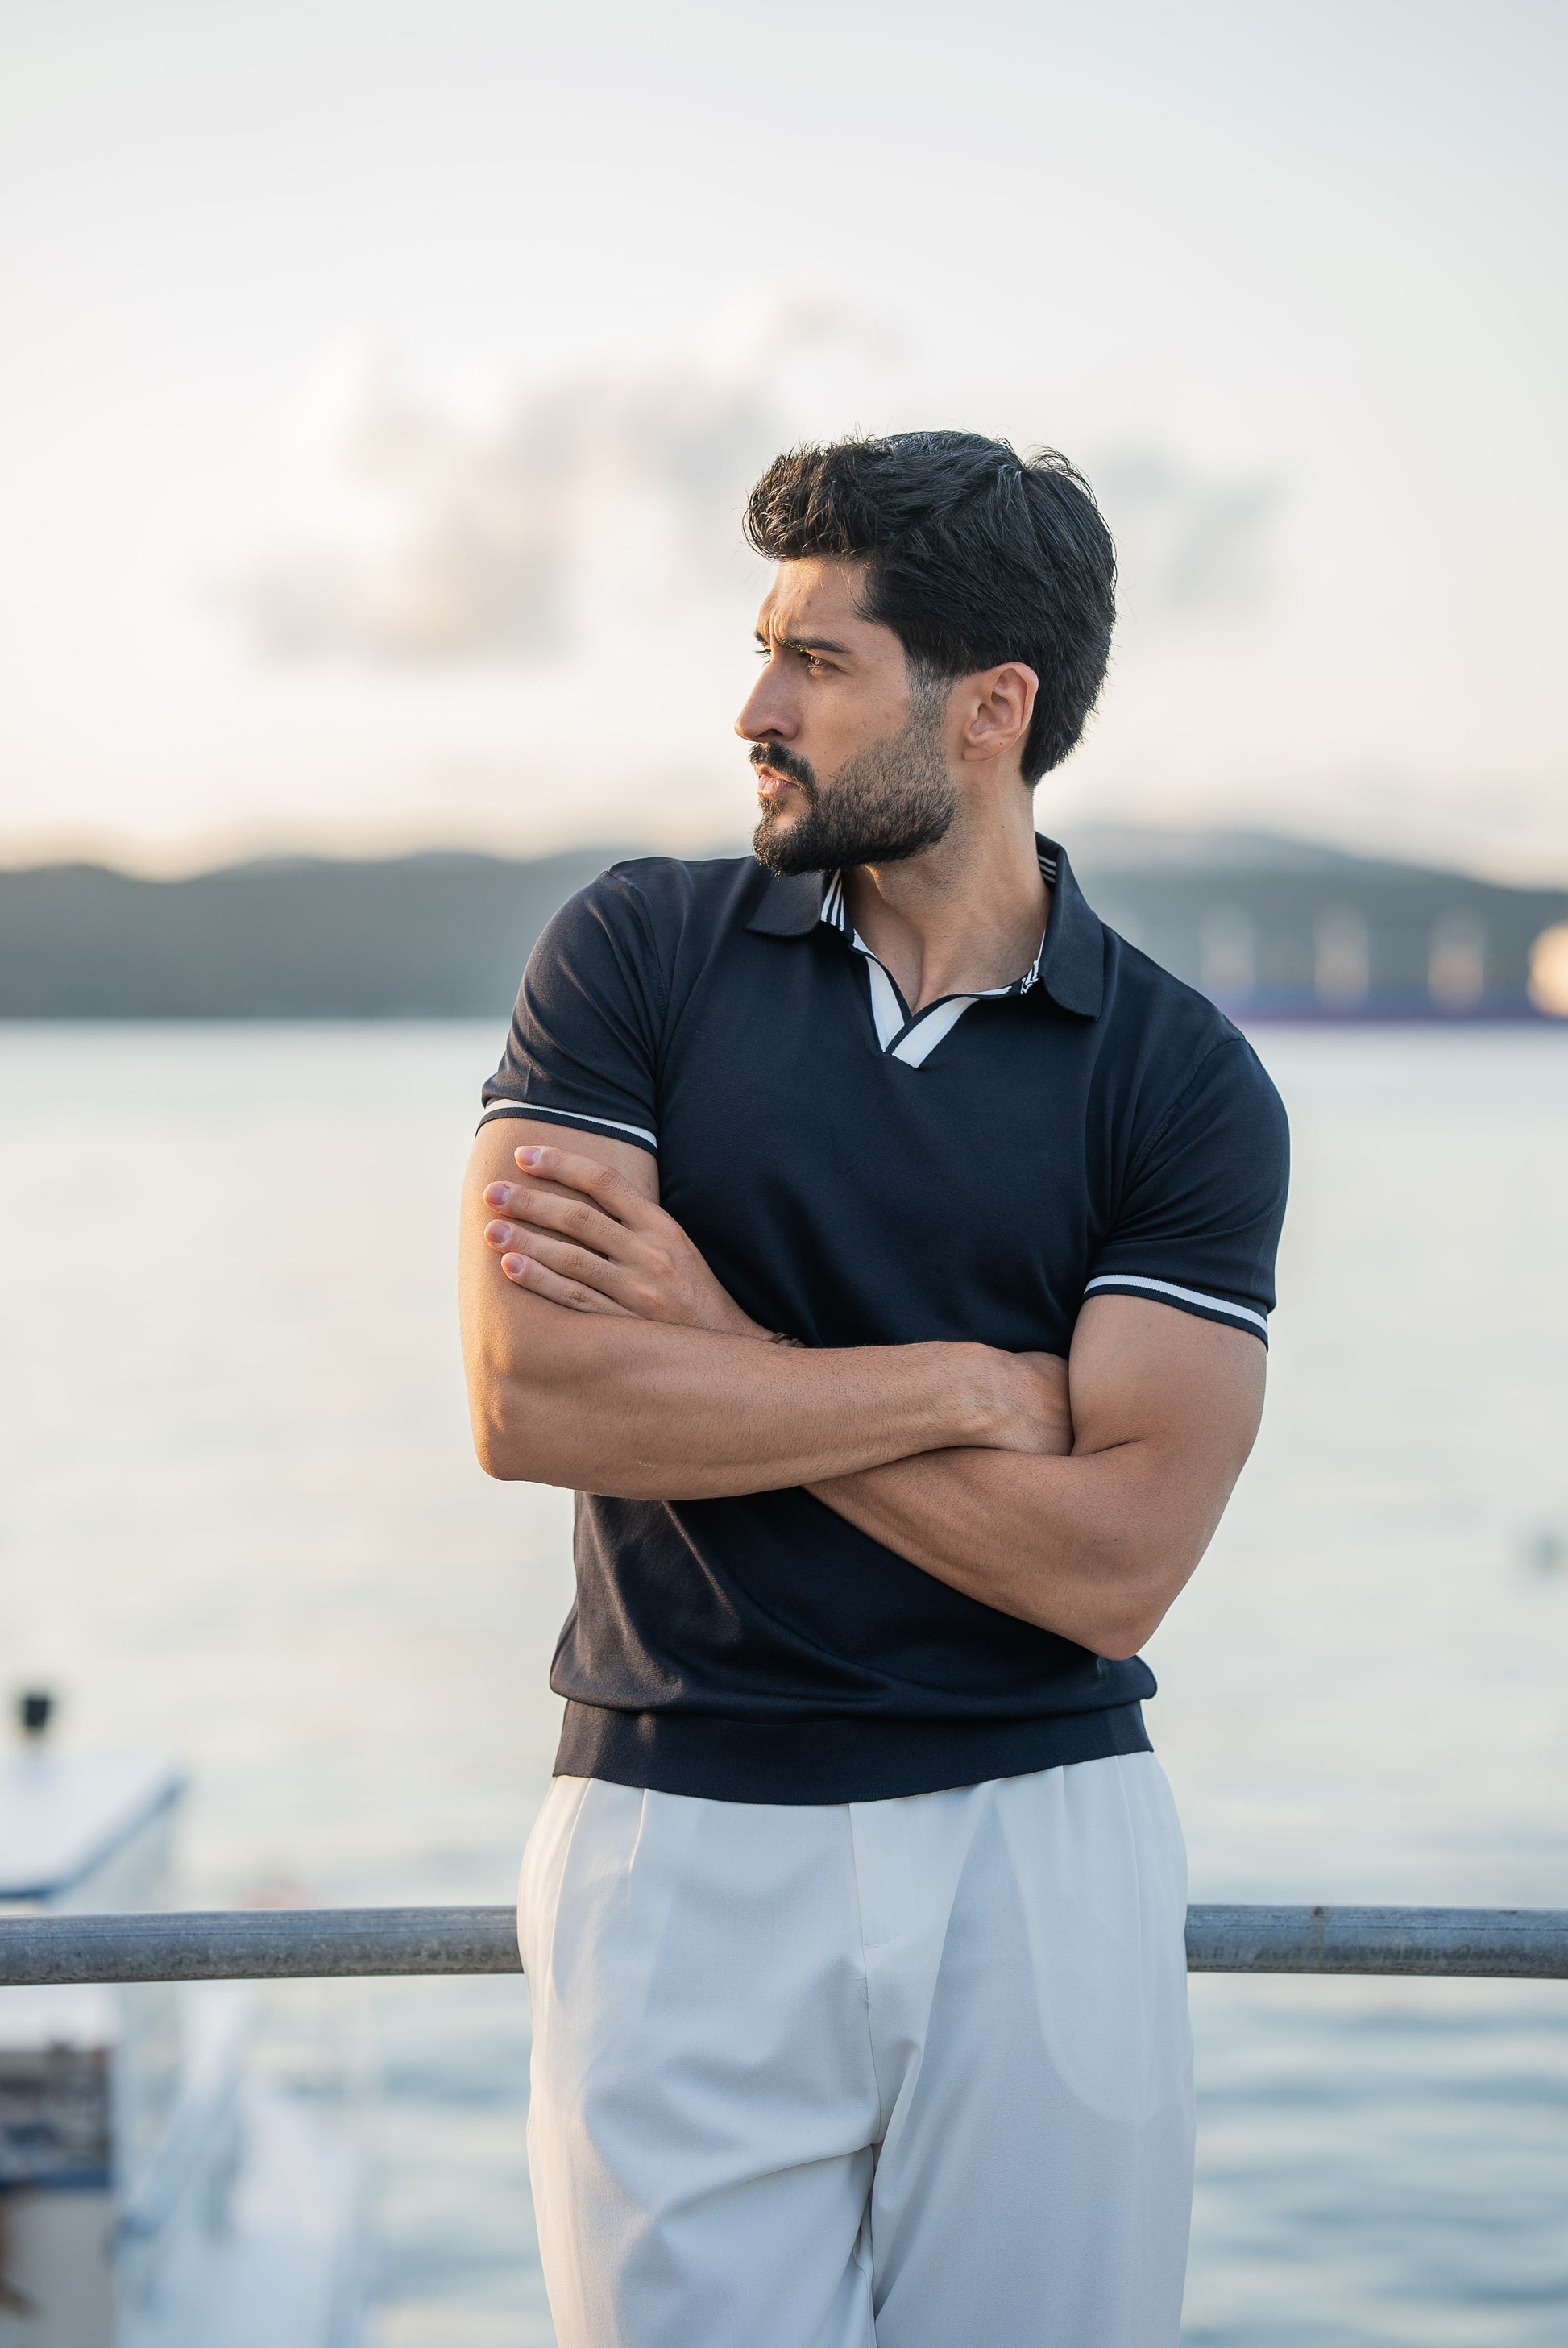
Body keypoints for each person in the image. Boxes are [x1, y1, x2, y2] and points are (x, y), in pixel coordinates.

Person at [459, 430, 1289, 2348]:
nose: (755, 708)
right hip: (677, 1829)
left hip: (1046, 1843)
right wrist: (970, 1390)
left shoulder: (1177, 1076)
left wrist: (728, 1355)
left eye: (816, 662)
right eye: (764, 651)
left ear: (988, 708)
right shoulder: (635, 955)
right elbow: (537, 1394)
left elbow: (1113, 1568)